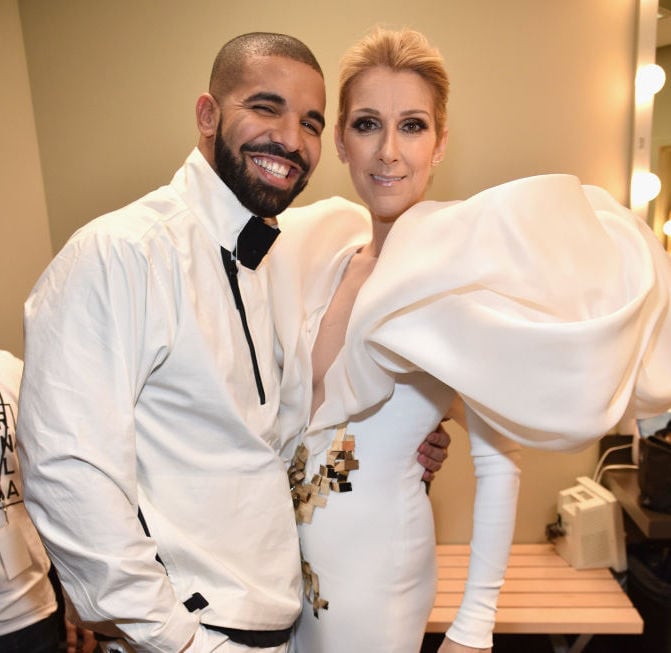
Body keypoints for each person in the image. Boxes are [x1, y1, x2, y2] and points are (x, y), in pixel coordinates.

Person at [16, 32, 447, 653]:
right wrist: (180, 641)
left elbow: (271, 443)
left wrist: (398, 438)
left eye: (310, 122)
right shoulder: (121, 253)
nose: (290, 139)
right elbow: (66, 471)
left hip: (282, 625)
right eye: (266, 108)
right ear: (207, 115)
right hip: (185, 637)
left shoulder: (276, 265)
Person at [269, 28, 671, 652]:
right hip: (284, 571)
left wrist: (474, 624)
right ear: (342, 141)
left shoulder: (460, 277)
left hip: (379, 578)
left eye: (412, 126)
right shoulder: (322, 262)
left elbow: (498, 460)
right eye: (369, 124)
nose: (389, 152)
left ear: (440, 143)